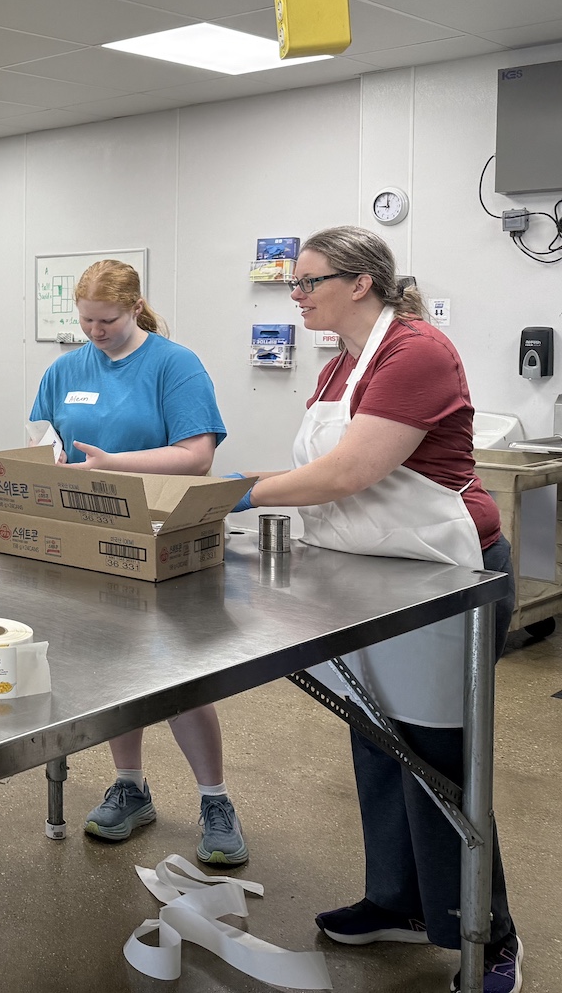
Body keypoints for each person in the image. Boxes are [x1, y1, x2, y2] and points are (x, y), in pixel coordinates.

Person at [230, 226, 521, 992]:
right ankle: (399, 901)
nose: (296, 295)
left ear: (360, 283)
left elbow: (348, 472)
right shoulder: (338, 369)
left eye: (308, 282)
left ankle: (488, 935)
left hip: (447, 578)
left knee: (441, 764)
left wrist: (234, 491)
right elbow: (324, 470)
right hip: (372, 581)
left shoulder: (415, 352)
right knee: (379, 743)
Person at [28, 260, 246, 867]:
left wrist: (112, 465)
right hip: (89, 538)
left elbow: (197, 456)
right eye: (86, 321)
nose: (95, 331)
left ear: (135, 308)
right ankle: (130, 785)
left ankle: (214, 799)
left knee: (179, 676)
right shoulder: (66, 368)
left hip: (163, 536)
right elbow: (42, 436)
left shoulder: (174, 365)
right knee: (115, 666)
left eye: (108, 320)